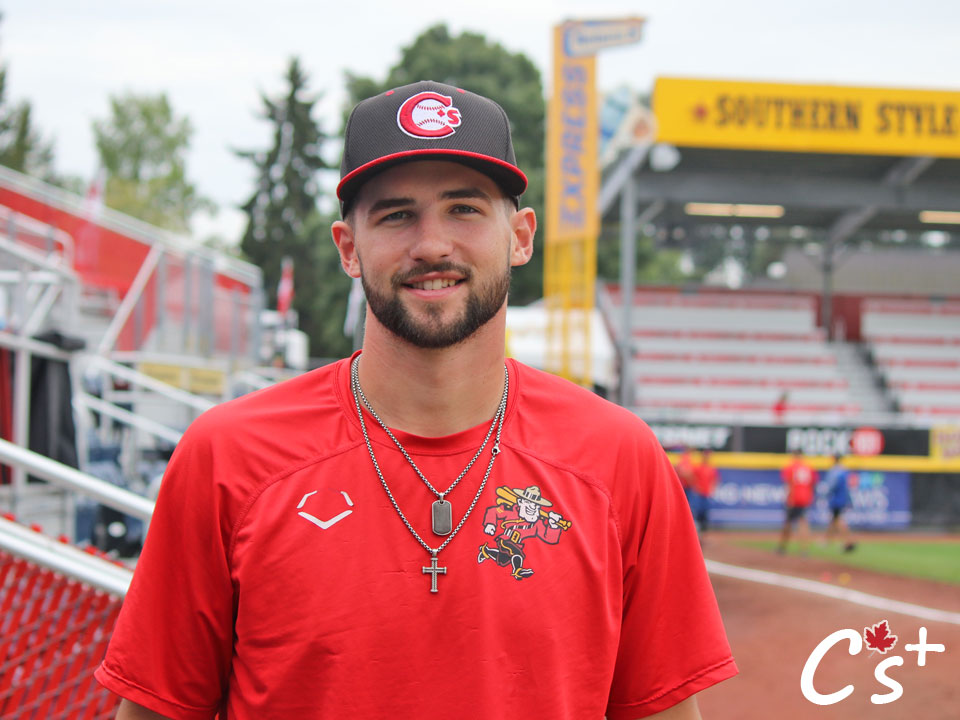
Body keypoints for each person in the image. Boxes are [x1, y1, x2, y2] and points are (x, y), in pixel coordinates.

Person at [97, 80, 737, 720]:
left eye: (464, 209)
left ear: (520, 235)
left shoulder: (618, 457)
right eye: (396, 214)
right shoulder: (228, 456)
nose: (432, 244)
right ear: (349, 248)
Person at [777, 450, 819, 555]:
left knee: (788, 523)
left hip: (794, 498)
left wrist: (788, 498)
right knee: (803, 523)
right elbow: (814, 483)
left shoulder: (791, 467)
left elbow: (788, 484)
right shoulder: (808, 467)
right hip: (806, 499)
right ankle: (804, 549)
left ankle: (782, 547)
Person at [822, 454, 857, 552]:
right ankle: (827, 540)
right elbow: (847, 488)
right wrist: (849, 499)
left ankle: (848, 541)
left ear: (834, 459)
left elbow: (831, 487)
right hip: (842, 499)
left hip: (836, 499)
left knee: (837, 520)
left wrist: (825, 495)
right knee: (834, 520)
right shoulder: (844, 471)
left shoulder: (834, 471)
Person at [691, 449, 720, 538]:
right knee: (697, 514)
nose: (707, 457)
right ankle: (697, 535)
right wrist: (695, 486)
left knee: (705, 515)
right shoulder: (698, 467)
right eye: (706, 455)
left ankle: (704, 536)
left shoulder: (712, 469)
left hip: (707, 494)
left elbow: (715, 480)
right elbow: (692, 478)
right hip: (699, 494)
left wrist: (712, 489)